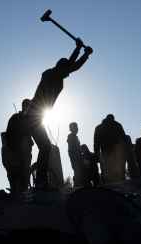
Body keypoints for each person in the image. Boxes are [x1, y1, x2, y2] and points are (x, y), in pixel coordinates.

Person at [29, 40, 93, 189]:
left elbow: (71, 66)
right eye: (66, 72)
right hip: (33, 115)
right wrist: (82, 53)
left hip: (37, 115)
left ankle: (41, 180)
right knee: (45, 146)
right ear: (61, 68)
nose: (68, 75)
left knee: (45, 147)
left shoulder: (56, 74)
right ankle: (41, 181)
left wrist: (80, 51)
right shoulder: (51, 75)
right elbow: (72, 65)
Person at [2, 99, 33, 195]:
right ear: (24, 106)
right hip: (16, 151)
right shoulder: (15, 118)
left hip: (25, 152)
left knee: (25, 172)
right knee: (16, 172)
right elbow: (9, 134)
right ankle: (17, 192)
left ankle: (22, 191)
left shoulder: (29, 120)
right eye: (29, 106)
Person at [94, 114, 126, 183]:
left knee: (107, 170)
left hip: (107, 151)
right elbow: (123, 138)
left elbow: (96, 142)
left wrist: (97, 154)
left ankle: (108, 184)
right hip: (115, 151)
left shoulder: (99, 127)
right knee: (115, 170)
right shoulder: (117, 125)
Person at [66, 122, 83, 187]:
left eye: (77, 127)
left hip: (77, 157)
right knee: (77, 171)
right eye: (75, 127)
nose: (77, 129)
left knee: (78, 172)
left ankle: (78, 184)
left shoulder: (75, 137)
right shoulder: (71, 137)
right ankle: (77, 185)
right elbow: (72, 150)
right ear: (72, 129)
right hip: (75, 158)